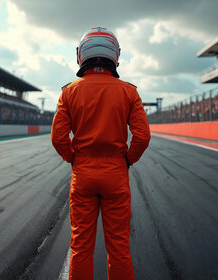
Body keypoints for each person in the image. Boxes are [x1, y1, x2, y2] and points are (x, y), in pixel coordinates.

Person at [51, 27, 151, 280]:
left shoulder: (69, 92)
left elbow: (58, 137)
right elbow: (142, 136)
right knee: (118, 247)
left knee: (80, 246)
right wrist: (128, 159)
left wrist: (74, 158)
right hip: (116, 172)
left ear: (81, 55)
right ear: (115, 55)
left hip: (83, 173)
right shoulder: (128, 91)